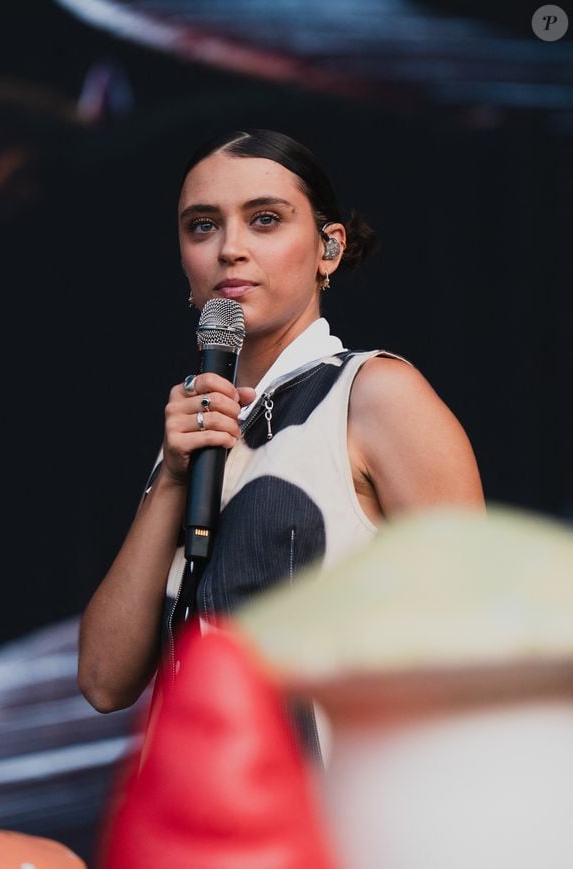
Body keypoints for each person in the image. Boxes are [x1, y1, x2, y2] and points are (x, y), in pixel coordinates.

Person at [78, 128, 485, 731]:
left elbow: (487, 638)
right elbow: (104, 680)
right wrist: (170, 478)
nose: (229, 249)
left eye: (265, 220)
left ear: (329, 248)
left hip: (330, 811)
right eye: (202, 225)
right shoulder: (195, 434)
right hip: (190, 811)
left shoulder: (373, 395)